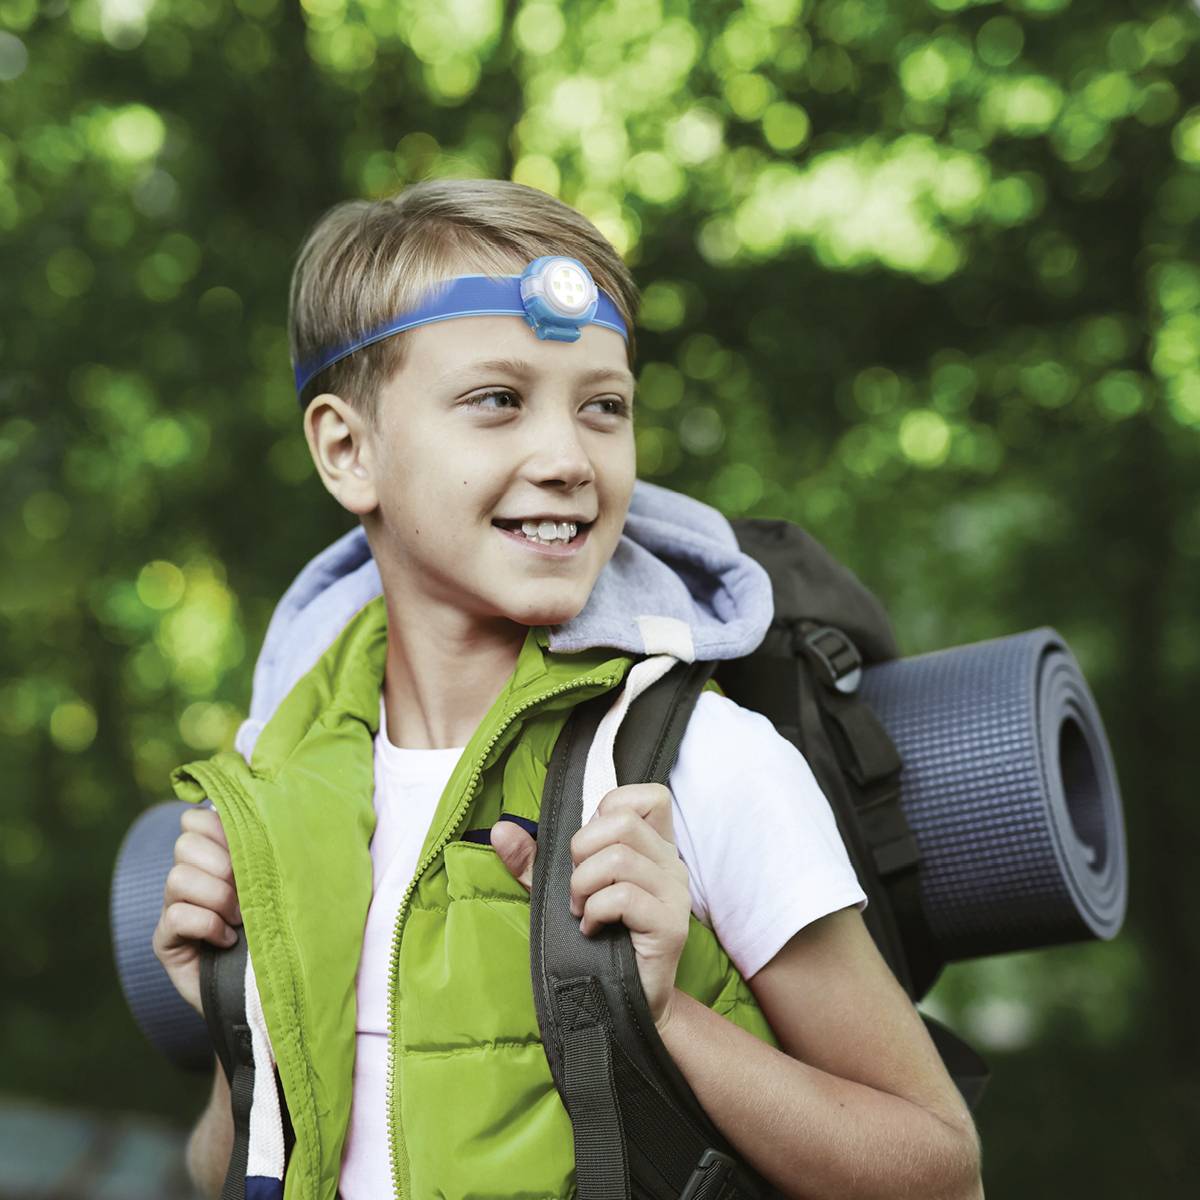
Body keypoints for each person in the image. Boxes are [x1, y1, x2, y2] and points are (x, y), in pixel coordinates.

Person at [152, 178, 983, 1200]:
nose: (567, 459)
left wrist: (661, 1016)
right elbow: (231, 1169)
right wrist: (239, 1018)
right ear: (348, 449)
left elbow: (942, 1173)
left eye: (604, 408)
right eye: (498, 402)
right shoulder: (277, 781)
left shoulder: (700, 769)